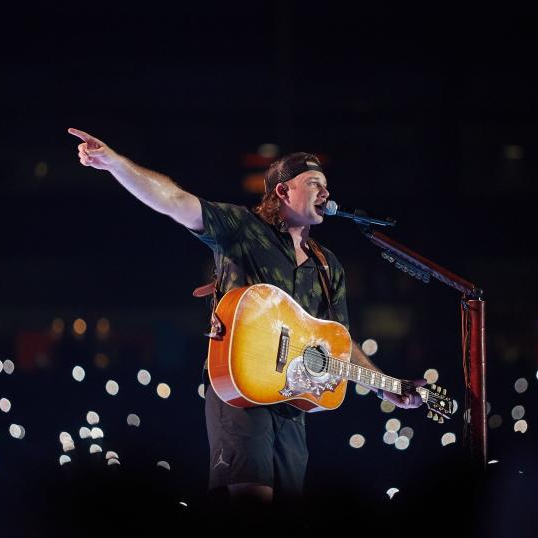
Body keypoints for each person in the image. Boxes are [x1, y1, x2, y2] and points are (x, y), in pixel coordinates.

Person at [68, 128, 425, 504]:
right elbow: (173, 200)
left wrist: (386, 383)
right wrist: (115, 164)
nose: (326, 193)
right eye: (314, 184)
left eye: (326, 186)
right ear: (283, 192)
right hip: (240, 390)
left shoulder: (328, 266)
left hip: (291, 403)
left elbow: (340, 341)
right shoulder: (242, 229)